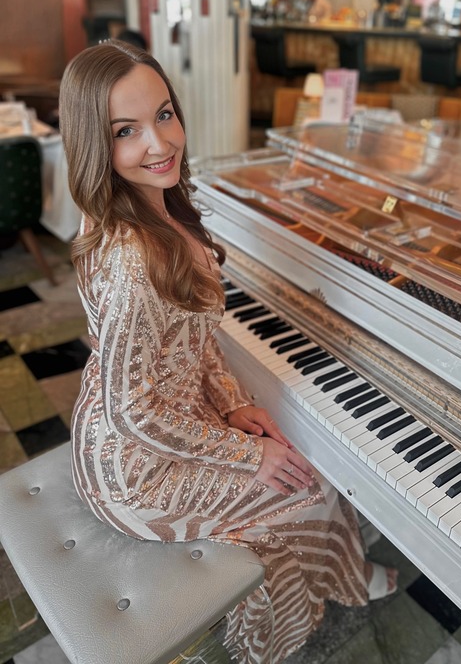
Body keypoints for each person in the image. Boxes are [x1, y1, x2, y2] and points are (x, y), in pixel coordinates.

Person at [59, 40, 396, 663]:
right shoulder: (135, 262)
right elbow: (132, 413)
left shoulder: (140, 207)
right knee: (306, 484)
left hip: (140, 428)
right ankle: (275, 633)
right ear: (93, 144)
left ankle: (343, 573)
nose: (160, 143)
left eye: (164, 114)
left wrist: (234, 400)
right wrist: (247, 452)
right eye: (126, 131)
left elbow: (191, 337)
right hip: (135, 470)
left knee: (297, 466)